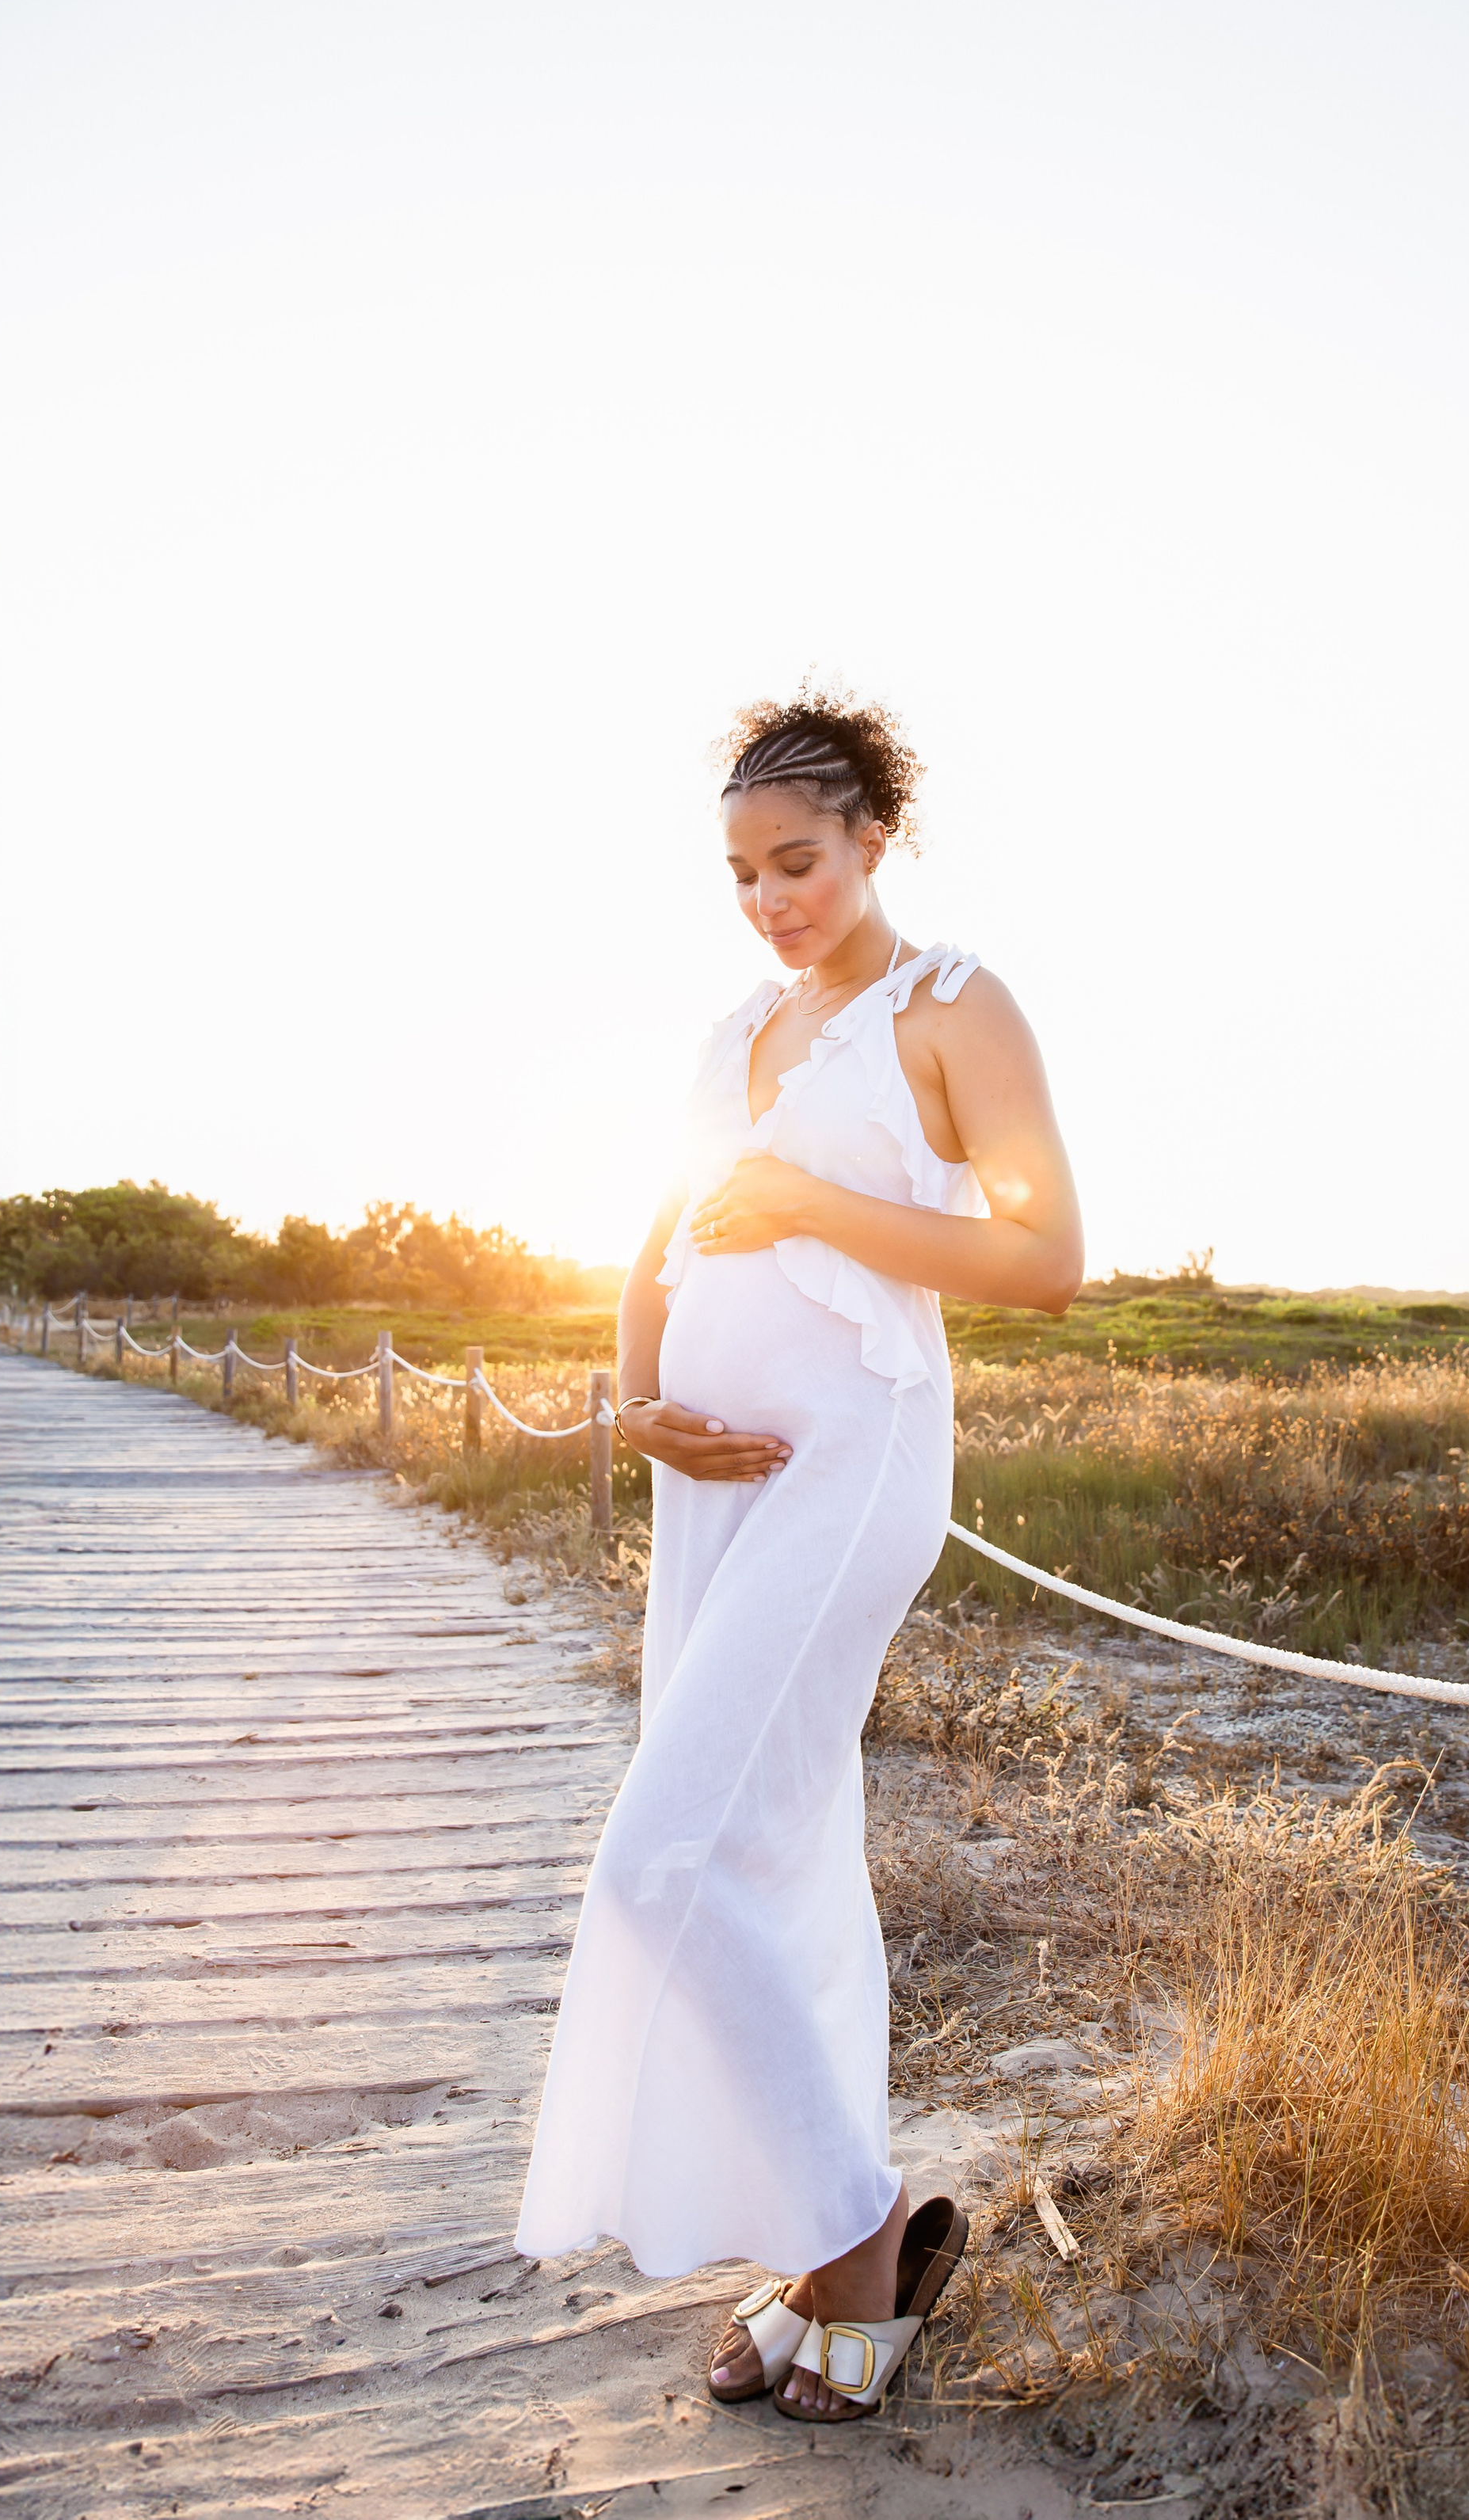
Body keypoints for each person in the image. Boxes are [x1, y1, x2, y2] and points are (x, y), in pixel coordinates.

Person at [514, 691, 1083, 2420]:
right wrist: (640, 1398)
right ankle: (805, 2221)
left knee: (658, 1856)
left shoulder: (950, 1004)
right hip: (714, 1480)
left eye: (800, 861)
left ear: (871, 842)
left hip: (853, 1457)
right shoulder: (735, 1030)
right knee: (768, 1850)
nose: (772, 898)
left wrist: (813, 1207)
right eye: (744, 871)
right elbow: (659, 1226)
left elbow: (1045, 1253)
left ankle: (859, 2233)